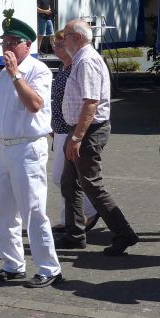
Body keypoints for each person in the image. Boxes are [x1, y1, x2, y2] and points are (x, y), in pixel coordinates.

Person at [0, 13, 63, 288]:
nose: (6, 48)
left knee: (33, 210)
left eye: (12, 42)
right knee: (3, 212)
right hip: (6, 147)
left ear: (27, 45)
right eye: (4, 42)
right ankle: (12, 265)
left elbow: (34, 105)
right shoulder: (1, 75)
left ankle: (49, 268)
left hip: (28, 147)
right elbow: (0, 116)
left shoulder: (38, 70)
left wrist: (16, 75)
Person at [57, 18, 139, 256]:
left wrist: (77, 138)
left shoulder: (87, 61)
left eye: (66, 35)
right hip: (81, 129)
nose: (62, 40)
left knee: (91, 184)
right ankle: (75, 234)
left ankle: (124, 233)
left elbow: (91, 103)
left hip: (88, 130)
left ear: (78, 38)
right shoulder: (81, 59)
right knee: (69, 183)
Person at [48, 28, 97, 233]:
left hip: (68, 128)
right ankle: (66, 218)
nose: (56, 48)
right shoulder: (64, 68)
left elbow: (89, 101)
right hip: (60, 128)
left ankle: (91, 208)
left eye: (60, 44)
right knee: (66, 178)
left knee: (62, 177)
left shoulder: (75, 68)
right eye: (55, 45)